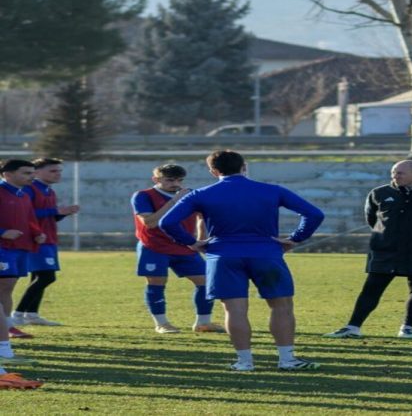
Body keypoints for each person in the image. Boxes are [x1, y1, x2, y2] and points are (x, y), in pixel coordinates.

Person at [159, 150, 325, 372]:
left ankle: (244, 362)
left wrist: (191, 242)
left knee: (234, 310)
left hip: (223, 255)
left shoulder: (201, 194)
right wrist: (295, 238)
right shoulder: (271, 190)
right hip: (266, 253)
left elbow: (167, 222)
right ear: (244, 167)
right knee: (281, 306)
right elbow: (314, 214)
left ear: (213, 171)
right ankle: (287, 359)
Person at [324, 160, 412, 340]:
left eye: (400, 173)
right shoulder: (379, 193)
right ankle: (352, 327)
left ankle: (408, 328)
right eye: (394, 172)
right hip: (386, 251)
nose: (395, 176)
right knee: (371, 289)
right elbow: (372, 219)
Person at [131, 163, 225, 334]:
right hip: (154, 247)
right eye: (170, 180)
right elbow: (150, 223)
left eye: (179, 180)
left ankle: (203, 323)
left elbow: (201, 217)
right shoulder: (143, 196)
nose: (175, 184)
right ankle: (162, 323)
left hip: (184, 246)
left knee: (206, 282)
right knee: (157, 283)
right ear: (156, 179)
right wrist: (175, 201)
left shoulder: (190, 195)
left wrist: (200, 239)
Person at [11, 158, 79, 327]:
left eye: (59, 171)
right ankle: (18, 314)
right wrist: (54, 210)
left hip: (49, 239)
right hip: (36, 240)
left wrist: (63, 213)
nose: (58, 174)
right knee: (47, 277)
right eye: (53, 171)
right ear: (37, 172)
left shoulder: (49, 191)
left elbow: (50, 217)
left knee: (38, 276)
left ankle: (31, 314)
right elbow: (26, 213)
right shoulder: (30, 189)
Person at [0, 159, 45, 341]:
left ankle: (7, 325)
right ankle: (7, 328)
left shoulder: (23, 195)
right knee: (5, 284)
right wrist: (2, 232)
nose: (32, 176)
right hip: (3, 247)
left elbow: (30, 219)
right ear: (7, 174)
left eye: (32, 173)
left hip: (20, 247)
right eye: (26, 173)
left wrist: (36, 233)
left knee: (8, 287)